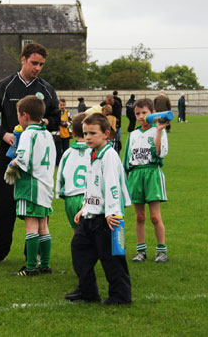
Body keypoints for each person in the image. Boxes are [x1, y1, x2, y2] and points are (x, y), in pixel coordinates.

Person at [0, 42, 60, 267]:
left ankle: (33, 255)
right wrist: (3, 135)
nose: (37, 68)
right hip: (9, 153)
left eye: (41, 64)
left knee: (36, 204)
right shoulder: (4, 87)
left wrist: (42, 122)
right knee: (1, 203)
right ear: (23, 60)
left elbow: (56, 118)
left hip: (36, 159)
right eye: (34, 63)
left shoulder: (46, 90)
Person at [65, 113, 132, 305]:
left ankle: (120, 297)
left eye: (92, 133)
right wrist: (85, 207)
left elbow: (113, 186)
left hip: (106, 219)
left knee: (112, 260)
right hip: (90, 217)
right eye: (85, 133)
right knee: (79, 249)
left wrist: (112, 214)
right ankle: (88, 292)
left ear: (106, 134)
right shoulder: (92, 154)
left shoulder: (109, 156)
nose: (87, 137)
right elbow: (92, 185)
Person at [4, 95, 56, 277]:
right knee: (43, 225)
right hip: (46, 184)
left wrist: (11, 166)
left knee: (31, 226)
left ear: (24, 115)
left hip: (30, 185)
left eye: (18, 114)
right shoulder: (47, 134)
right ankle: (45, 265)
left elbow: (23, 157)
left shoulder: (28, 133)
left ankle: (31, 267)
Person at [123, 98, 169, 263]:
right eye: (137, 113)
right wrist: (125, 182)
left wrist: (158, 131)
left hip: (152, 174)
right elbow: (126, 161)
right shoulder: (133, 134)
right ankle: (141, 251)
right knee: (139, 216)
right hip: (136, 175)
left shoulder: (159, 131)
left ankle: (161, 251)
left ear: (152, 113)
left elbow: (159, 152)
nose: (141, 116)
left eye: (144, 113)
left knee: (155, 216)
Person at [55, 113, 91, 234]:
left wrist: (59, 193)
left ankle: (79, 252)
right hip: (89, 197)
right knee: (91, 232)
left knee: (78, 233)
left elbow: (60, 175)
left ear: (73, 133)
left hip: (71, 197)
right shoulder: (95, 150)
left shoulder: (67, 153)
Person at [53, 98, 72, 165]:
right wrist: (62, 123)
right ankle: (58, 163)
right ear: (58, 105)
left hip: (66, 134)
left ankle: (65, 163)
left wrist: (65, 124)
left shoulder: (68, 113)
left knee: (66, 150)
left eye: (63, 105)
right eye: (61, 105)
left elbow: (71, 121)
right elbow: (55, 122)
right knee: (58, 150)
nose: (62, 106)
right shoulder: (55, 113)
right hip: (57, 134)